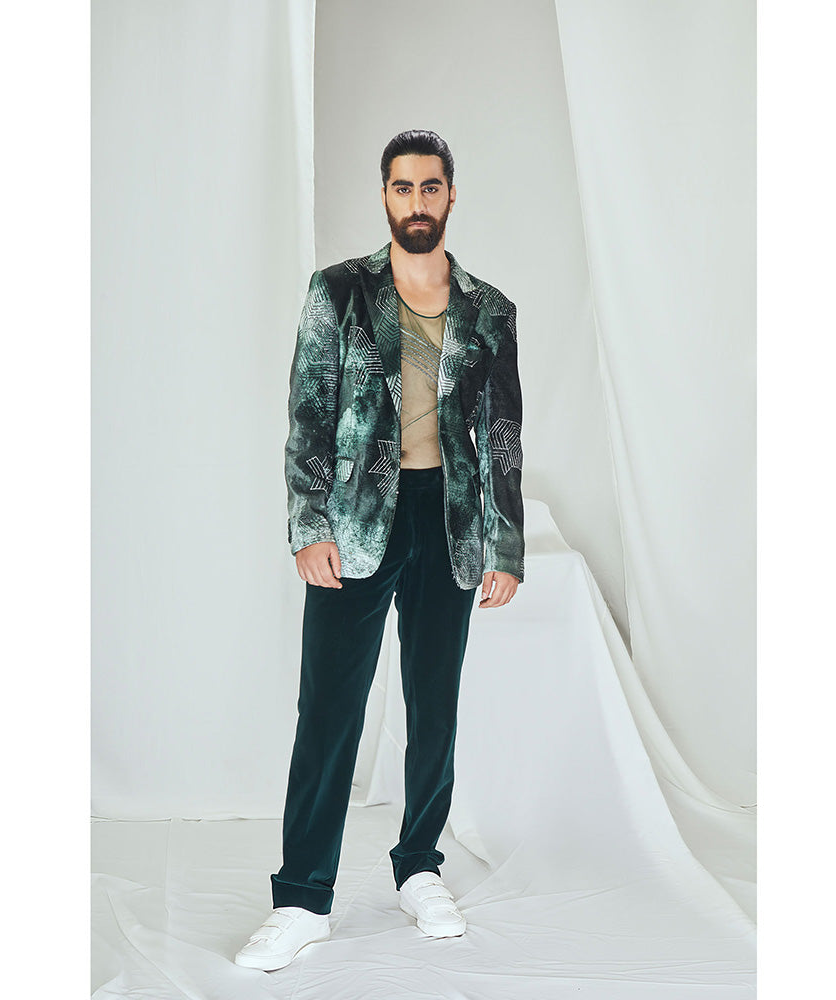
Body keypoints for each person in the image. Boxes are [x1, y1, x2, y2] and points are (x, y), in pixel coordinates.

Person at [235, 129, 525, 972]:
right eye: (403, 188)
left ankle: (419, 868)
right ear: (386, 195)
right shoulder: (339, 292)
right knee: (329, 710)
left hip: (448, 522)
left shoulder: (490, 310)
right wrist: (310, 527)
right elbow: (308, 416)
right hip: (357, 521)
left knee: (434, 706)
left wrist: (503, 543)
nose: (417, 202)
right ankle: (302, 900)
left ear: (450, 195)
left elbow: (502, 435)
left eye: (431, 187)